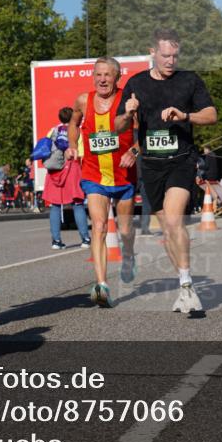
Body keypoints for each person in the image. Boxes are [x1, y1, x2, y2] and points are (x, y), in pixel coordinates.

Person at [116, 28, 217, 314]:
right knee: (167, 231)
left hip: (181, 160)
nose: (171, 61)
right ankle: (183, 285)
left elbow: (211, 115)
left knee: (174, 220)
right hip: (151, 165)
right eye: (165, 55)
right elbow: (118, 127)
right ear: (152, 52)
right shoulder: (136, 83)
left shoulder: (190, 80)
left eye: (175, 55)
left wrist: (185, 115)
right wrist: (127, 111)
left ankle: (187, 286)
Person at [66, 57, 138, 308]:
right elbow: (73, 124)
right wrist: (72, 145)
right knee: (99, 225)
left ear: (118, 78)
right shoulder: (83, 101)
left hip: (124, 175)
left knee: (126, 229)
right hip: (93, 174)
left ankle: (128, 255)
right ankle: (101, 284)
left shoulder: (128, 102)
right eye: (98, 75)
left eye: (108, 75)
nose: (103, 79)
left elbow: (145, 132)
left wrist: (135, 152)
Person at [45, 107, 90, 249]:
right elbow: (81, 153)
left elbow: (46, 150)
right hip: (72, 168)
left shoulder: (52, 131)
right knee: (77, 203)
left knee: (55, 205)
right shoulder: (77, 131)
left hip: (54, 171)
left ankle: (56, 241)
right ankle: (85, 239)